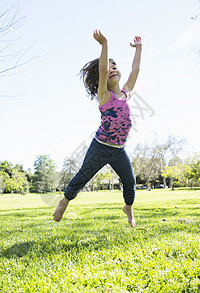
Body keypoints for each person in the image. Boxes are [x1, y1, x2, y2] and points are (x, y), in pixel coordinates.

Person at [53, 30, 142, 228]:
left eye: (115, 67)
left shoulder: (126, 93)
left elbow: (135, 69)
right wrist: (105, 45)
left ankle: (128, 208)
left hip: (119, 150)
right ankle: (64, 202)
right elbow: (102, 70)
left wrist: (139, 48)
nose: (112, 70)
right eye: (108, 68)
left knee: (130, 181)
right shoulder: (104, 96)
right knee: (83, 176)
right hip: (100, 148)